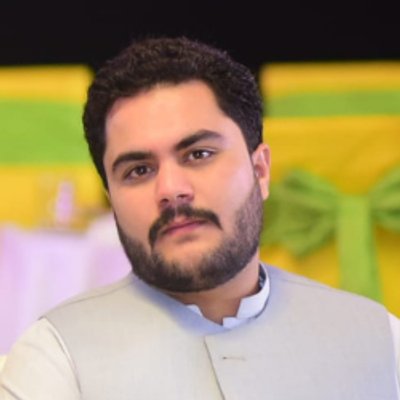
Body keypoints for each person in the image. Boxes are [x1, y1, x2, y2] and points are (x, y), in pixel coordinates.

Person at [0, 37, 399, 399]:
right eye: (139, 170)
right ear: (111, 201)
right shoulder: (57, 361)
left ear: (260, 171)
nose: (171, 189)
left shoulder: (379, 340)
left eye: (199, 154)